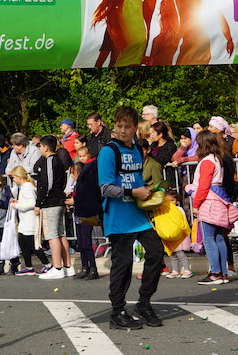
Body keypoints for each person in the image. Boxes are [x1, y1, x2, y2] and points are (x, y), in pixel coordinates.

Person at [98, 106, 164, 329]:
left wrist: (149, 191)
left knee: (156, 254)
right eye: (119, 126)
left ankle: (144, 302)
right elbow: (105, 188)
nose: (123, 130)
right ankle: (117, 312)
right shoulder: (109, 151)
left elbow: (135, 180)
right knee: (123, 266)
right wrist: (133, 192)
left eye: (127, 126)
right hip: (118, 217)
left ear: (136, 127)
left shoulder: (137, 149)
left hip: (138, 214)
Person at [189, 131, 233, 286]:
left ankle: (215, 273)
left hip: (209, 202)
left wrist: (195, 205)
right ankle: (223, 272)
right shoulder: (217, 159)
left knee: (209, 239)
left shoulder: (207, 161)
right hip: (219, 200)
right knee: (220, 238)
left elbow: (203, 186)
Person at [34, 135, 73, 279]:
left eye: (40, 146)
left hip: (51, 202)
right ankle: (68, 266)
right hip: (58, 200)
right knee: (61, 234)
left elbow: (47, 183)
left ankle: (57, 268)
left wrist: (39, 202)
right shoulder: (58, 161)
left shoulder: (50, 161)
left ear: (45, 147)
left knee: (52, 235)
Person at [9, 166, 50, 276]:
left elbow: (31, 203)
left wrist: (17, 205)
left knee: (33, 245)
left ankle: (47, 264)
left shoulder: (27, 187)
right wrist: (18, 202)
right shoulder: (24, 187)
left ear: (19, 177)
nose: (13, 180)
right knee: (23, 244)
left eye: (14, 177)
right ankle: (28, 266)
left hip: (29, 221)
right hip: (24, 221)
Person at [64, 163, 99, 280]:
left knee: (87, 243)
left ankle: (93, 268)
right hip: (78, 215)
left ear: (75, 173)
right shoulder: (78, 184)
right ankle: (85, 267)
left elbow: (86, 199)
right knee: (81, 243)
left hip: (86, 216)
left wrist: (74, 201)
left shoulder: (85, 184)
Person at [163, 188, 193, 279]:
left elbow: (182, 221)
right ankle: (175, 270)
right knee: (172, 254)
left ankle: (187, 270)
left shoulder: (179, 209)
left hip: (179, 236)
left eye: (172, 200)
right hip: (170, 235)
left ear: (177, 201)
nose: (170, 202)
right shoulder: (165, 210)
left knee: (180, 253)